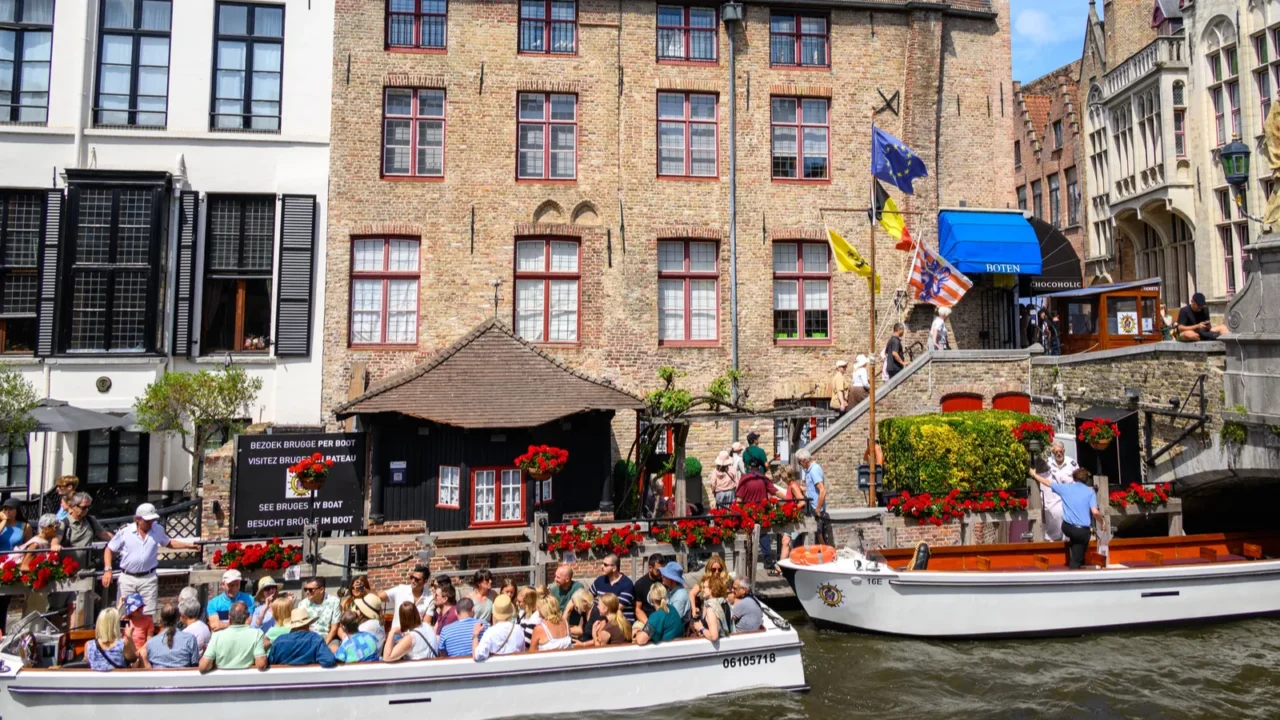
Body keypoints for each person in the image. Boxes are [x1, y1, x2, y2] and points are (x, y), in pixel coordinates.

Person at [103, 503, 197, 617]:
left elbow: (168, 543)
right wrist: (108, 570)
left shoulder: (158, 529)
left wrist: (188, 545)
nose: (150, 523)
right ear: (137, 519)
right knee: (125, 613)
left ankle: (148, 635)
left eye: (152, 520)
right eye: (147, 520)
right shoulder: (125, 531)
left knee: (148, 614)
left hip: (148, 578)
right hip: (128, 578)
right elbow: (109, 549)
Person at [1030, 467, 1105, 569]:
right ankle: (1074, 572)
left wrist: (1034, 475)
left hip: (1067, 527)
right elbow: (1095, 512)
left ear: (1074, 478)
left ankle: (1077, 557)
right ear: (1086, 479)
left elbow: (1047, 483)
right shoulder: (1090, 492)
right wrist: (1102, 522)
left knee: (1077, 548)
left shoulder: (1066, 488)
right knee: (1077, 560)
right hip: (1081, 531)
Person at [199, 601, 267, 673]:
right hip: (247, 680)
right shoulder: (257, 634)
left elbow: (203, 667)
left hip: (222, 680)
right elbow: (261, 664)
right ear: (247, 617)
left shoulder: (217, 636)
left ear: (230, 618)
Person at [51, 492, 111, 568]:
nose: (86, 510)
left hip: (87, 568)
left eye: (88, 507)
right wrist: (55, 545)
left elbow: (104, 534)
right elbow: (56, 538)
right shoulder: (65, 523)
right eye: (83, 507)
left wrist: (119, 539)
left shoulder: (91, 520)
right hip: (68, 569)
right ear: (73, 506)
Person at [266, 608, 336, 668]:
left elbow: (270, 663)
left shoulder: (279, 641)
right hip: (309, 679)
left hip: (283, 680)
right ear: (308, 624)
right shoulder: (316, 639)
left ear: (291, 625)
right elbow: (329, 660)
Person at [1040, 442, 1080, 542]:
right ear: (1053, 452)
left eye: (1060, 451)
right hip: (1052, 501)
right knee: (1053, 532)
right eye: (1056, 452)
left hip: (1068, 500)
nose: (1058, 454)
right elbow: (1041, 479)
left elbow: (1078, 480)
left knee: (1069, 531)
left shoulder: (1072, 463)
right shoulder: (1047, 463)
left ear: (1064, 451)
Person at [143, 601, 200, 669]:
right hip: (183, 678)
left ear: (161, 619)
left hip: (159, 678)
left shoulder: (151, 643)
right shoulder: (190, 639)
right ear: (178, 618)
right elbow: (195, 665)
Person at [377, 565, 433, 632]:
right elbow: (379, 596)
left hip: (416, 636)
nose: (413, 581)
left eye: (417, 579)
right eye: (412, 577)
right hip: (397, 634)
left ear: (425, 582)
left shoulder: (430, 597)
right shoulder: (400, 590)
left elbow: (426, 624)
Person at [796, 448, 834, 546]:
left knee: (819, 535)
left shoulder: (814, 470)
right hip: (812, 507)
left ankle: (827, 555)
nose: (800, 465)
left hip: (815, 509)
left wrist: (817, 509)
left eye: (799, 463)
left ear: (804, 460)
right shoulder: (810, 471)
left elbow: (822, 490)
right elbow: (812, 489)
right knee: (816, 534)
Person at [472, 594, 525, 661]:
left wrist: (475, 635)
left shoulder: (490, 632)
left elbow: (477, 656)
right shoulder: (518, 629)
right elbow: (522, 652)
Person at [86, 607, 137, 671]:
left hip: (96, 680)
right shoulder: (123, 644)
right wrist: (129, 637)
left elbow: (89, 663)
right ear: (116, 625)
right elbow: (134, 659)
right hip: (118, 680)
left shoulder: (89, 645)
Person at [589, 554, 635, 622]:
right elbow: (588, 597)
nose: (602, 566)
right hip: (600, 620)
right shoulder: (600, 581)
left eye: (605, 565)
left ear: (614, 568)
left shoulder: (627, 584)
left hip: (620, 623)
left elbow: (615, 609)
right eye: (602, 563)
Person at [298, 576, 342, 646]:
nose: (307, 592)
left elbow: (334, 628)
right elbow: (300, 626)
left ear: (321, 590)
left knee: (334, 650)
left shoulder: (334, 601)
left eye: (310, 590)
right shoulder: (302, 604)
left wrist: (324, 644)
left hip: (328, 637)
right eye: (305, 589)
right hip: (308, 638)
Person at [690, 574, 733, 641]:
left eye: (704, 587)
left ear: (712, 588)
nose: (702, 590)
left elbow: (714, 636)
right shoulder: (724, 602)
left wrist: (701, 628)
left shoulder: (711, 609)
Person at [631, 553, 665, 625]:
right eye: (658, 570)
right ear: (650, 568)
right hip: (646, 619)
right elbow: (638, 609)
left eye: (662, 570)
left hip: (663, 618)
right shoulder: (640, 584)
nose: (661, 573)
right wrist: (648, 624)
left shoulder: (664, 581)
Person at [121, 592, 155, 656]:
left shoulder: (148, 620)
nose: (140, 610)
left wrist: (139, 652)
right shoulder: (125, 619)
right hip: (125, 650)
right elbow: (118, 637)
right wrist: (120, 607)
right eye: (136, 609)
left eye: (141, 607)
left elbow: (149, 641)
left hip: (141, 651)